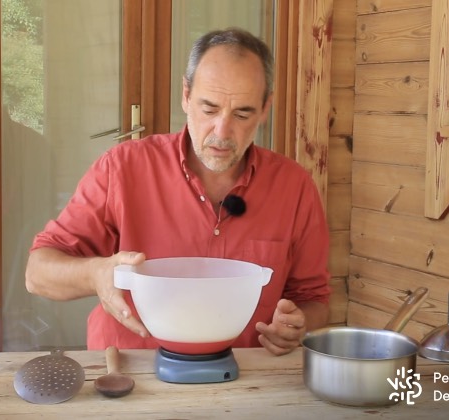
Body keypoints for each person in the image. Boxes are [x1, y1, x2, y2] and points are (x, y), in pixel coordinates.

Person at [25, 28, 331, 356]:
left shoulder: (294, 187)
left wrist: (297, 325)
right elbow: (38, 273)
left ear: (265, 107)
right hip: (130, 375)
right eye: (209, 109)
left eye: (243, 114)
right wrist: (95, 273)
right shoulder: (123, 168)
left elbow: (313, 299)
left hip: (246, 378)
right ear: (186, 95)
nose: (222, 132)